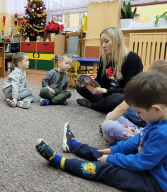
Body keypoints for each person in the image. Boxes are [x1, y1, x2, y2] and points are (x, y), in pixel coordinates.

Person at [36, 72, 167, 192]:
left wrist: (112, 158)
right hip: (149, 164)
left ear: (156, 109)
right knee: (102, 153)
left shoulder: (162, 134)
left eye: (139, 112)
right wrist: (114, 150)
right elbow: (138, 139)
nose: (137, 115)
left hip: (154, 180)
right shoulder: (156, 120)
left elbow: (142, 162)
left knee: (107, 169)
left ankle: (60, 161)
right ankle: (74, 146)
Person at [76, 27, 143, 113]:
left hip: (123, 96)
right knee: (80, 87)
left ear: (118, 40)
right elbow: (99, 81)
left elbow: (130, 90)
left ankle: (92, 105)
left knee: (116, 99)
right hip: (106, 94)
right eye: (102, 42)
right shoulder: (105, 58)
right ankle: (105, 105)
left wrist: (105, 91)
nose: (103, 45)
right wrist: (86, 82)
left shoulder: (133, 59)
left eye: (106, 41)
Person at [101, 60, 167, 145]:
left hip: (146, 134)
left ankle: (121, 140)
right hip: (143, 128)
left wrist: (105, 126)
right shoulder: (145, 90)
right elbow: (121, 108)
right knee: (110, 116)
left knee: (109, 125)